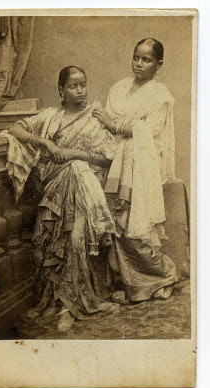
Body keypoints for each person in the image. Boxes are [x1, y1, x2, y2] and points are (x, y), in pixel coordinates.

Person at [1, 66, 118, 333]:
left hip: (84, 190)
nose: (79, 91)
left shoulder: (95, 117)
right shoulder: (51, 117)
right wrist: (45, 144)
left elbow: (107, 157)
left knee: (76, 240)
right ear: (61, 91)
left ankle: (70, 306)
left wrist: (76, 154)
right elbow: (15, 129)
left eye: (83, 85)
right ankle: (57, 302)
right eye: (73, 86)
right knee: (55, 245)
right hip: (54, 193)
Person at [92, 38, 179, 304]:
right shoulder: (118, 88)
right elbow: (105, 123)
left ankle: (164, 276)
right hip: (114, 161)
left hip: (139, 166)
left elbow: (148, 131)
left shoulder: (160, 96)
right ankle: (134, 285)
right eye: (136, 57)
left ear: (158, 64)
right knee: (115, 224)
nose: (139, 64)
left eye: (147, 59)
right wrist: (115, 125)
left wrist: (114, 124)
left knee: (133, 225)